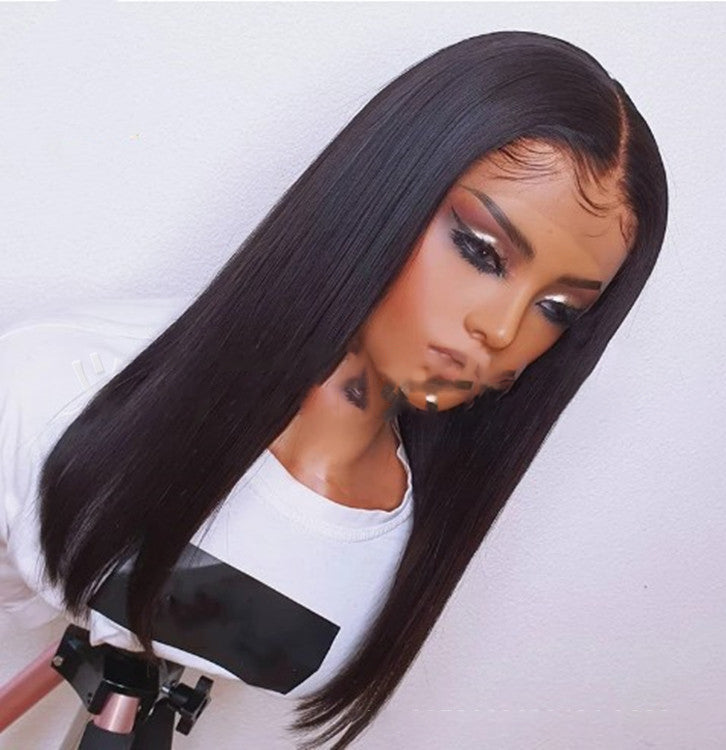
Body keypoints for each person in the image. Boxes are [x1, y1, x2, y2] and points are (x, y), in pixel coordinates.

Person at [0, 29, 668, 750]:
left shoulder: (394, 555)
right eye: (480, 250)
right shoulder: (55, 387)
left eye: (557, 310)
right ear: (383, 194)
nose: (502, 329)